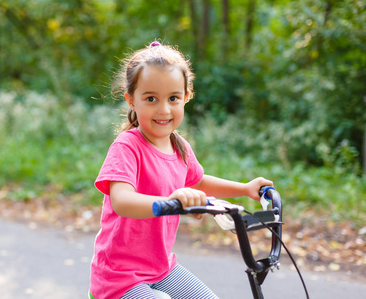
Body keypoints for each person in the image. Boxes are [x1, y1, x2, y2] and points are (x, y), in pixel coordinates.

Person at [89, 41, 273, 299]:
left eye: (173, 98)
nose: (163, 109)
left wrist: (244, 189)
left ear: (186, 97)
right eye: (151, 98)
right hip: (119, 278)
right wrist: (171, 201)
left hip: (161, 269)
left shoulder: (180, 147)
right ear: (131, 100)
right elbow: (121, 201)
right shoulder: (127, 146)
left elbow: (197, 181)